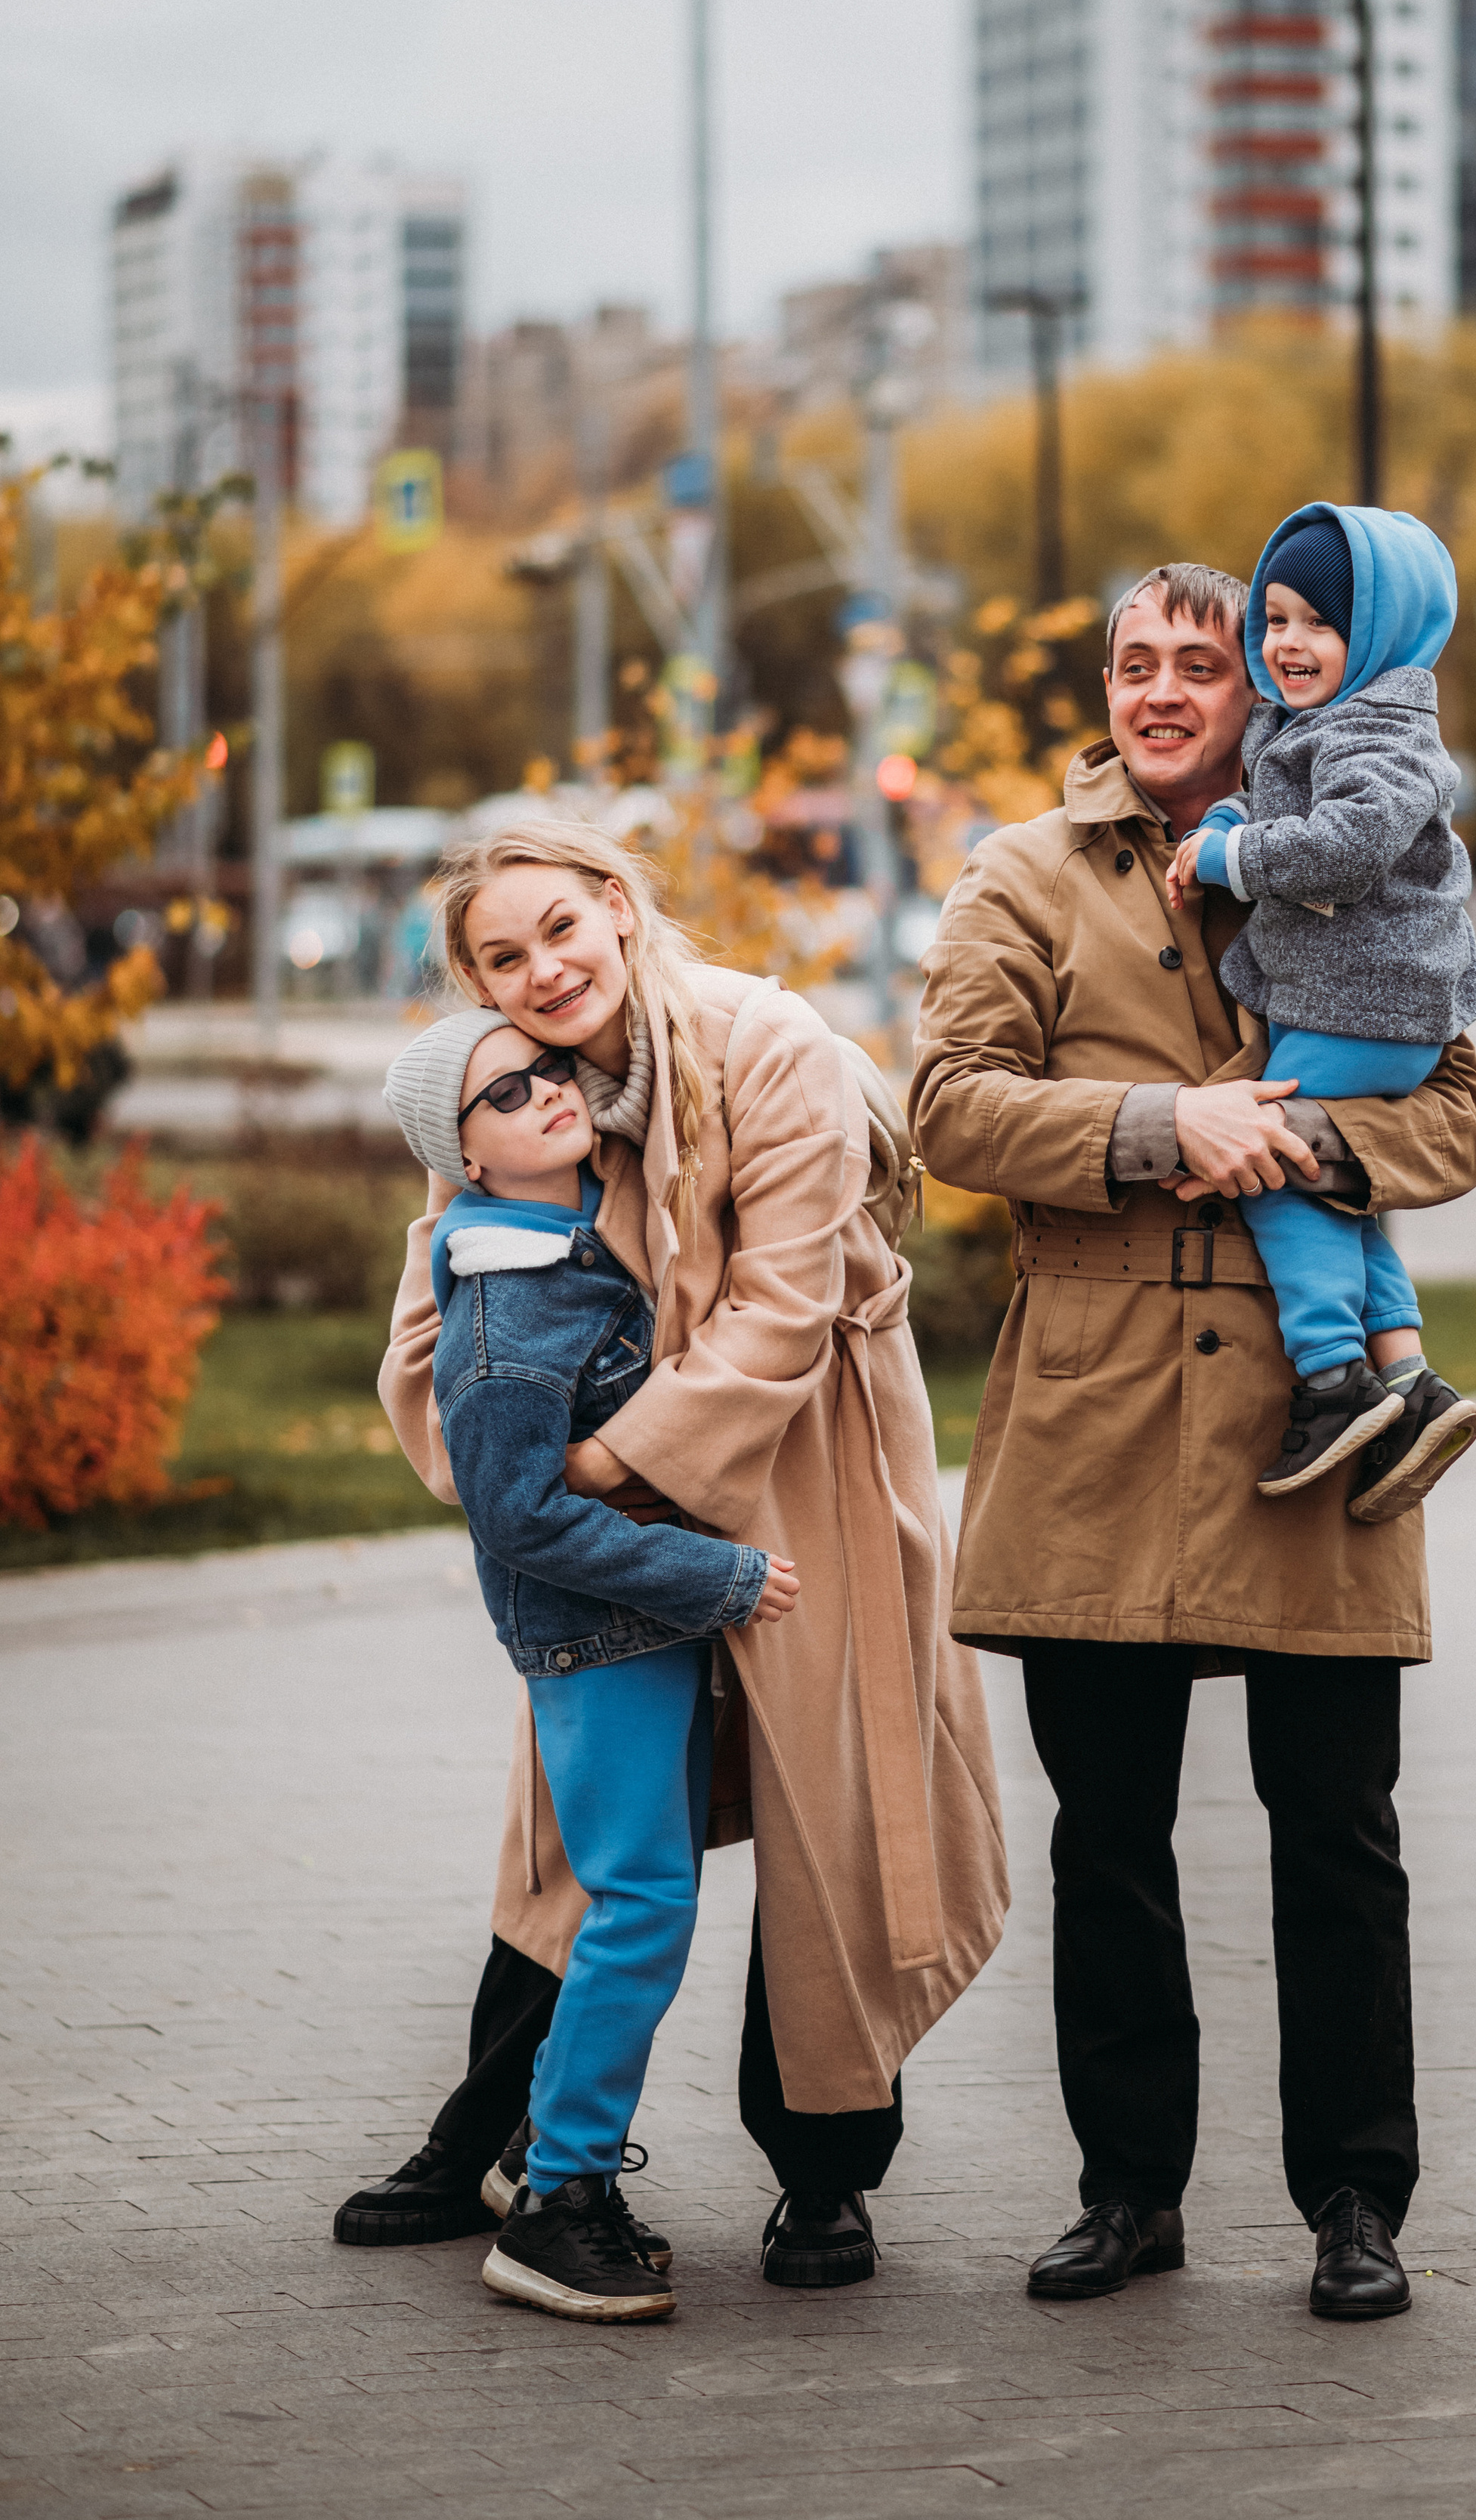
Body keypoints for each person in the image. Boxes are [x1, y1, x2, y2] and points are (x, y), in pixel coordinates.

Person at [909, 561, 1476, 2323]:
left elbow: (1452, 1115)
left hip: (1313, 1424)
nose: (1164, 688)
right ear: (1100, 684)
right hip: (1093, 1416)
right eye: (1133, 662)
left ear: (1268, 673)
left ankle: (1352, 2199)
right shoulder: (1020, 871)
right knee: (1108, 1830)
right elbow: (944, 1104)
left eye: (1202, 657)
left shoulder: (1364, 839)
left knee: (1337, 1825)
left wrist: (1305, 1147)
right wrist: (1172, 1122)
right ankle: (1126, 2190)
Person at [334, 820, 1007, 2288]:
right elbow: (435, 1325)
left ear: (621, 912)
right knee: (585, 1828)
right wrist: (518, 1484)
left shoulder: (771, 1048)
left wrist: (584, 1471)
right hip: (622, 1505)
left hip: (805, 1456)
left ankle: (826, 2172)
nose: (541, 969)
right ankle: (491, 2132)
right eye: (501, 957)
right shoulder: (510, 1096)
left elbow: (782, 1305)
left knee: (821, 1800)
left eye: (560, 929)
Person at [379, 1009, 798, 2320]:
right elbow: (515, 1512)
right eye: (505, 1091)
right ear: (467, 1153)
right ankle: (558, 2195)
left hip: (639, 1632)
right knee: (638, 1909)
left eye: (549, 1066)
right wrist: (718, 1578)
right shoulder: (508, 1300)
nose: (548, 1090)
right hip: (603, 1637)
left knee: (641, 1901)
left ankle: (549, 2156)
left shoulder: (569, 1238)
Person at [1166, 502, 1476, 1503]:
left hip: (1371, 1004)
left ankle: (1332, 1381)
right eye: (1275, 618)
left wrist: (1227, 854)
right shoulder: (1310, 722)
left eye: (1319, 622)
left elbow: (1343, 845)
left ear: (1380, 630)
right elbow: (1272, 801)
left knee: (1271, 1163)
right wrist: (1228, 817)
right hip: (1355, 1002)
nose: (1289, 644)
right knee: (1342, 1194)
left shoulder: (1381, 732)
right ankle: (1408, 1381)